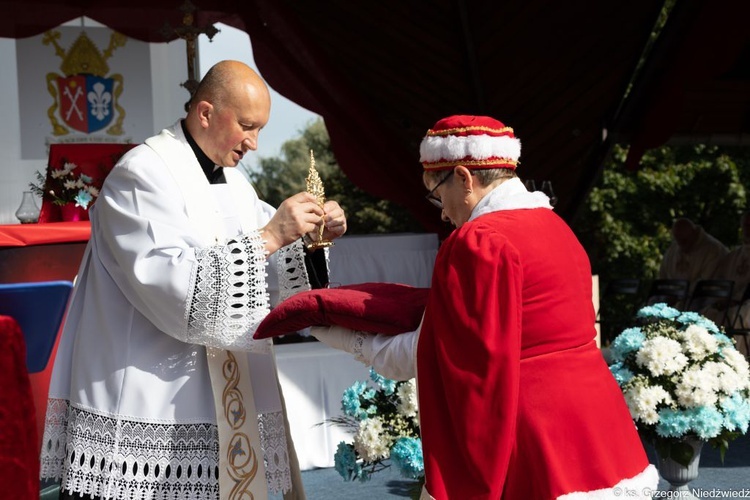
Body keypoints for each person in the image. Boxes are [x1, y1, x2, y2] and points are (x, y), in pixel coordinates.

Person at [39, 60, 347, 500]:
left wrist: (311, 240)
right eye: (246, 126)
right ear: (205, 113)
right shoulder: (141, 173)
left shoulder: (237, 185)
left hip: (220, 401)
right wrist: (271, 235)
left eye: (260, 129)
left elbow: (270, 275)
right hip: (155, 402)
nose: (254, 143)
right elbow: (171, 286)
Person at [312, 115, 658, 499]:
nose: (442, 212)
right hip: (598, 424)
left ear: (463, 177)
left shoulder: (479, 242)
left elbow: (435, 356)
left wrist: (343, 335)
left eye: (437, 194)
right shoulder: (557, 227)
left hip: (534, 432)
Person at [659, 217, 728, 285]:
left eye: (684, 241)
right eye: (678, 241)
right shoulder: (672, 250)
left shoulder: (714, 250)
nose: (681, 246)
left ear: (694, 234)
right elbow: (663, 277)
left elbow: (707, 284)